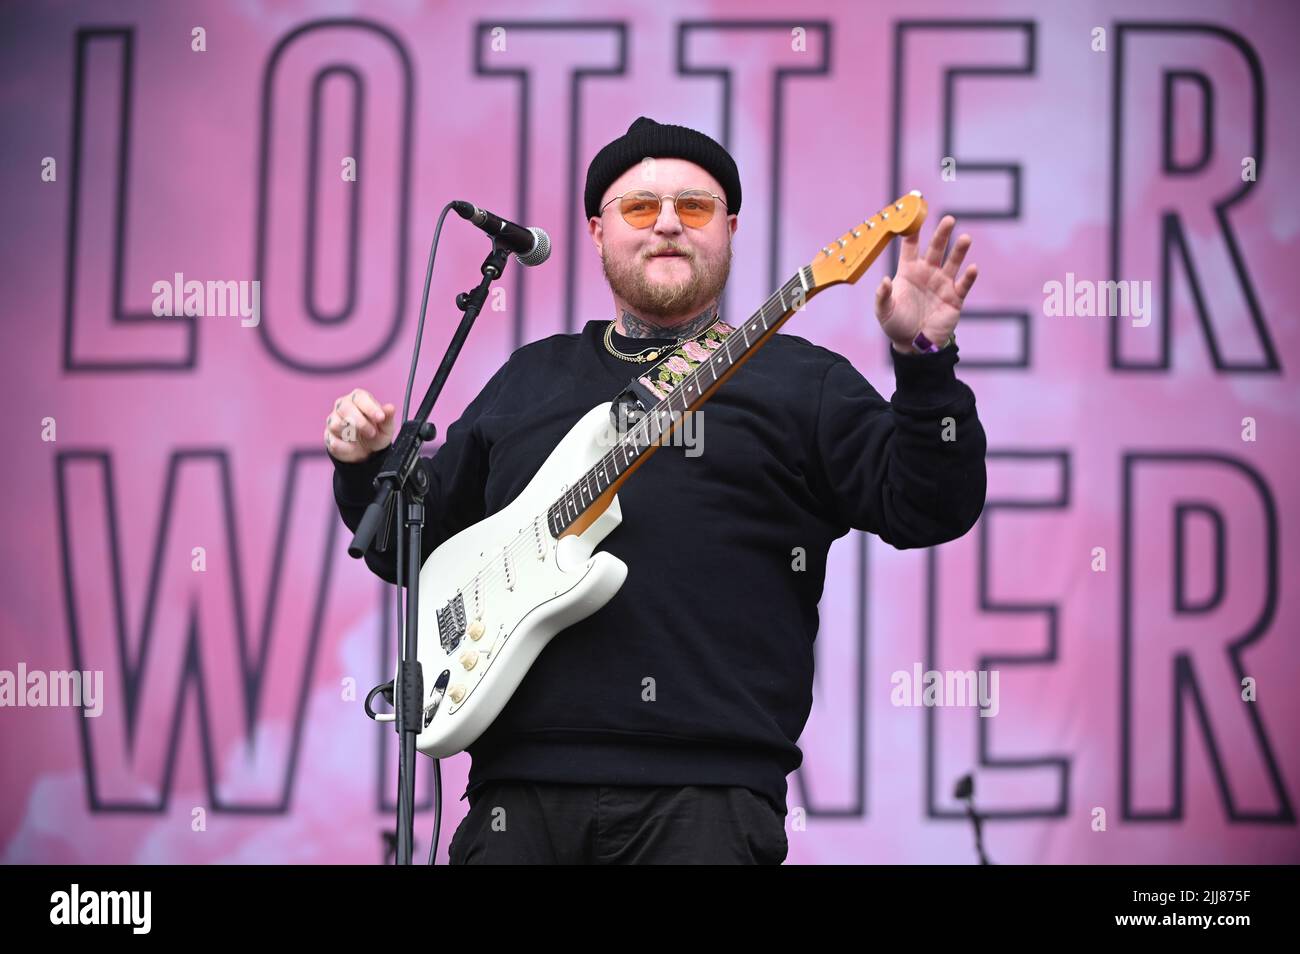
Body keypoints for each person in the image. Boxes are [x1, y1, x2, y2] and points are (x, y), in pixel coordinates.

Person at [326, 117, 986, 864]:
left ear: (729, 231)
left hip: (706, 804)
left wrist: (925, 360)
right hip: (516, 802)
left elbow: (931, 505)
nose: (668, 223)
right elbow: (408, 545)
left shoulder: (801, 380)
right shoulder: (531, 379)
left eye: (695, 208)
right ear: (598, 232)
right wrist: (365, 464)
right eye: (640, 207)